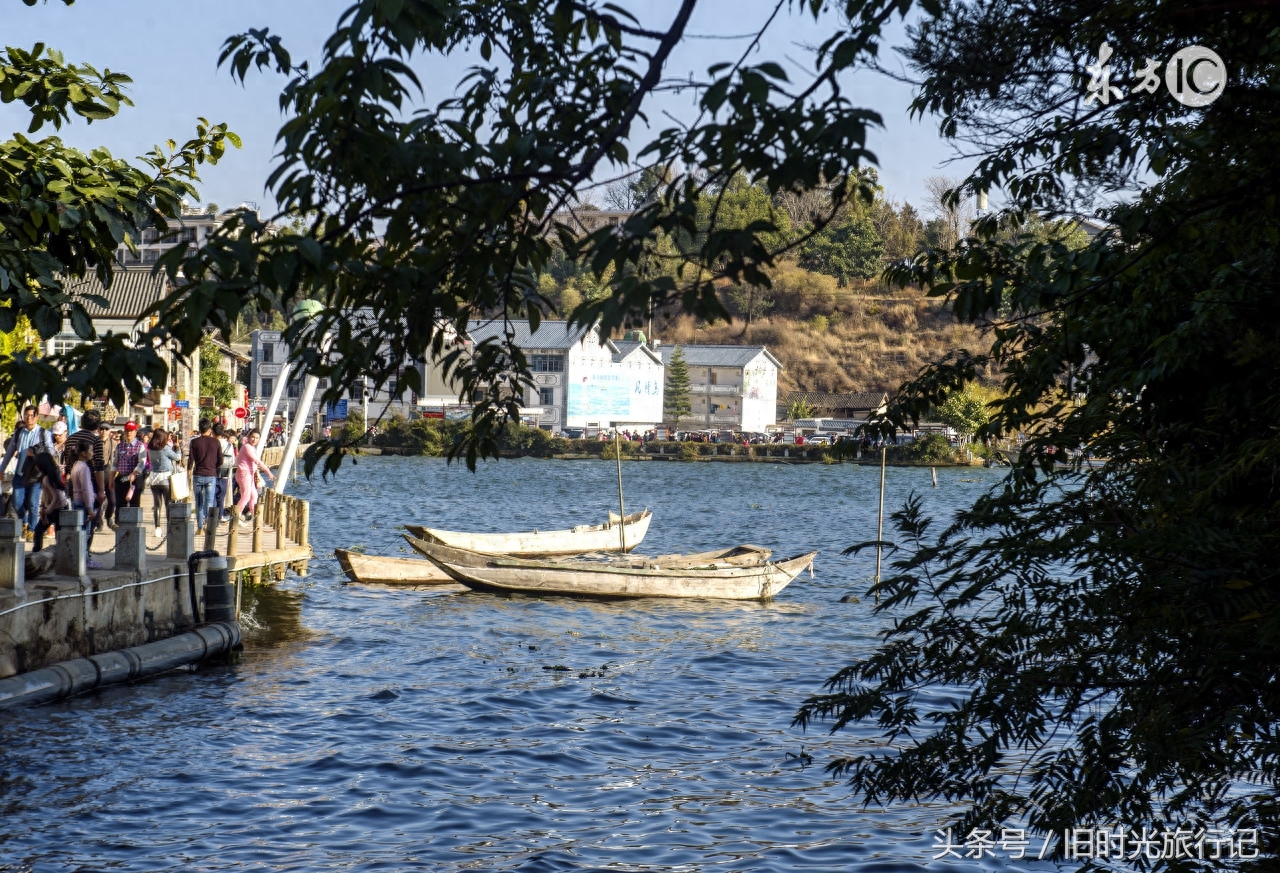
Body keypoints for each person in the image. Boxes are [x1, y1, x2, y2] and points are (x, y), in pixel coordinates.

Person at [0, 405, 55, 540]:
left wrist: (37, 452)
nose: (29, 418)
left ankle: (31, 529)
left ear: (37, 417)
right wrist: (1, 469)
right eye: (26, 415)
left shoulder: (44, 433)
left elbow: (51, 452)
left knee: (32, 503)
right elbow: (9, 453)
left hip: (36, 475)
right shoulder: (19, 433)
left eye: (32, 415)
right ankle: (24, 522)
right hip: (20, 473)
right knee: (17, 502)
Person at [63, 409, 106, 539]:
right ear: (97, 426)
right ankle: (85, 554)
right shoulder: (96, 441)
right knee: (89, 522)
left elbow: (66, 462)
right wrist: (101, 491)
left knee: (74, 521)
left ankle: (76, 551)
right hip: (90, 484)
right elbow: (99, 467)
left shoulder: (70, 439)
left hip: (72, 483)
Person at [67, 441, 102, 569]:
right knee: (85, 535)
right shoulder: (84, 468)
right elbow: (86, 489)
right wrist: (90, 508)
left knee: (81, 533)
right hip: (83, 504)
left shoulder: (76, 465)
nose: (92, 453)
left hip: (77, 502)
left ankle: (82, 559)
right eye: (91, 450)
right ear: (83, 453)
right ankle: (85, 560)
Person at [30, 442, 68, 553]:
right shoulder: (47, 477)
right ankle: (42, 551)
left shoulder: (47, 478)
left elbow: (56, 497)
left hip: (57, 508)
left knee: (40, 530)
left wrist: (47, 511)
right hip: (54, 508)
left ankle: (37, 551)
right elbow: (46, 495)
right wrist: (42, 507)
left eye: (37, 464)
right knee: (49, 531)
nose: (35, 467)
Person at [233, 428, 274, 526]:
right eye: (252, 437)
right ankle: (236, 517)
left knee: (254, 496)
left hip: (250, 474)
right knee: (246, 496)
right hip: (244, 474)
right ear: (249, 437)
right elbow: (256, 461)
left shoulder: (252, 448)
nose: (254, 440)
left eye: (256, 438)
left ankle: (256, 518)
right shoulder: (246, 447)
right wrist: (268, 471)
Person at [146, 428, 182, 539]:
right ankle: (169, 527)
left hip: (154, 478)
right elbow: (177, 457)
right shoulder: (165, 448)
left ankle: (157, 528)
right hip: (166, 478)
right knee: (168, 505)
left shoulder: (150, 448)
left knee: (157, 505)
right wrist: (178, 449)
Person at [188, 418, 222, 531]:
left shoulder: (194, 442)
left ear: (200, 429)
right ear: (209, 429)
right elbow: (220, 460)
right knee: (209, 501)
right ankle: (208, 524)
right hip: (211, 475)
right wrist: (213, 467)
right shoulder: (216, 442)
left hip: (198, 474)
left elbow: (191, 459)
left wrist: (189, 471)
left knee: (198, 502)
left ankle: (199, 527)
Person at [113, 421, 148, 514]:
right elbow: (115, 463)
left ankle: (133, 526)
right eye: (127, 430)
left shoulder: (140, 445)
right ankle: (119, 524)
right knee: (120, 504)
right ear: (124, 431)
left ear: (135, 432)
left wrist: (134, 473)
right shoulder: (119, 446)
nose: (129, 432)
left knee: (134, 505)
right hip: (122, 478)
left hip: (135, 479)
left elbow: (142, 462)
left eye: (131, 430)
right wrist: (111, 479)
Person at [213, 422, 234, 522]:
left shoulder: (211, 443)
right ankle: (220, 516)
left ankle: (211, 517)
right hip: (225, 474)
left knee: (212, 496)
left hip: (212, 472)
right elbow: (232, 462)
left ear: (212, 432)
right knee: (221, 498)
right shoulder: (229, 445)